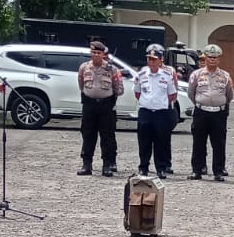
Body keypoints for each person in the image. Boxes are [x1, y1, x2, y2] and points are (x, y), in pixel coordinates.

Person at [76, 41, 125, 177]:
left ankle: (107, 165)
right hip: (89, 105)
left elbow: (118, 89)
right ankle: (86, 165)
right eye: (93, 52)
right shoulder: (84, 67)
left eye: (98, 53)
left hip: (105, 106)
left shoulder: (111, 69)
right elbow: (81, 84)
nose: (96, 55)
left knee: (107, 136)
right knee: (88, 135)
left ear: (103, 54)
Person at [187, 44, 234, 181]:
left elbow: (229, 95)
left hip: (218, 114)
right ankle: (197, 170)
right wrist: (201, 102)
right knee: (198, 143)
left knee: (219, 144)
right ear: (205, 58)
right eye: (210, 57)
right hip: (201, 112)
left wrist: (219, 103)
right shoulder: (196, 74)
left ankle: (218, 172)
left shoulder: (225, 76)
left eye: (215, 57)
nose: (212, 59)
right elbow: (191, 92)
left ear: (219, 59)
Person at [133, 44, 178, 178]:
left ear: (160, 60)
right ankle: (143, 167)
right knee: (144, 142)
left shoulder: (167, 75)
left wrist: (159, 103)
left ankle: (161, 168)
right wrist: (149, 102)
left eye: (154, 59)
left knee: (161, 142)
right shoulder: (141, 74)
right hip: (145, 112)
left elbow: (172, 95)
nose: (151, 61)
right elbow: (137, 93)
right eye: (149, 59)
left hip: (161, 113)